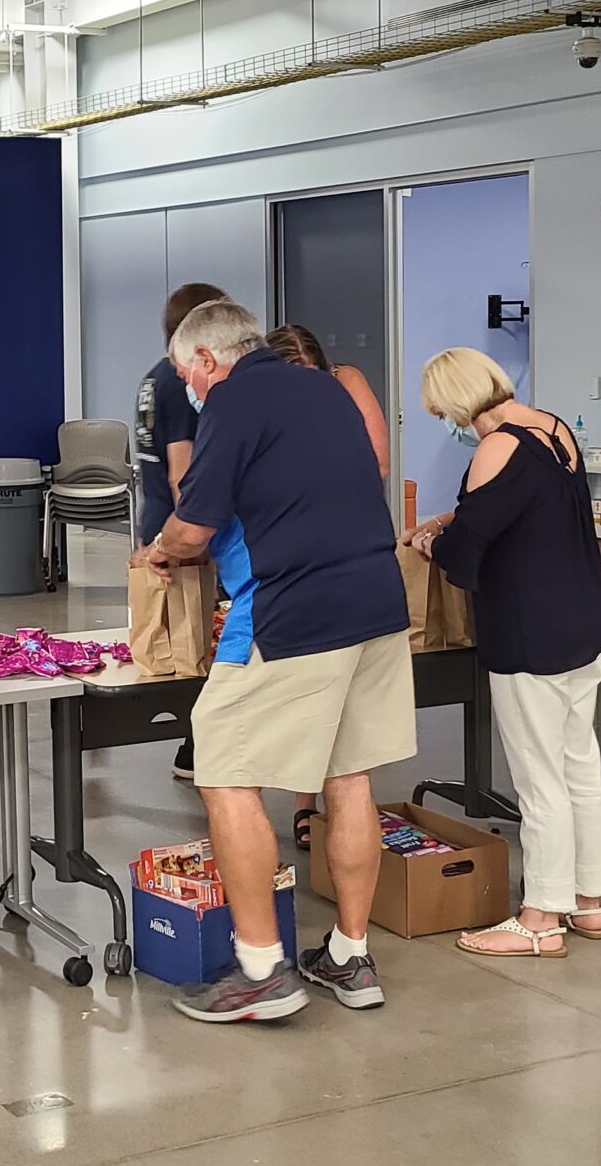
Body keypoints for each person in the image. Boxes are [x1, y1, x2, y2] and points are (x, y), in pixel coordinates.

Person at [137, 300, 413, 1023]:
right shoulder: (322, 388)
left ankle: (261, 970)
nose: (185, 388)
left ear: (204, 360)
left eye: (182, 372)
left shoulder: (231, 401)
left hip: (292, 613)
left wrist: (161, 547)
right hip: (376, 602)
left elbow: (192, 526)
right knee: (348, 774)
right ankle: (351, 957)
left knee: (224, 771)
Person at [406, 349, 601, 958]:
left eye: (439, 409)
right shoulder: (553, 428)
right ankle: (587, 899)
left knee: (538, 778)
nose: (442, 420)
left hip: (530, 633)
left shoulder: (493, 449)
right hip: (582, 622)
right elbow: (520, 510)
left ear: (458, 400)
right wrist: (455, 519)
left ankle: (540, 918)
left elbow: (467, 552)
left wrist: (430, 547)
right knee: (578, 766)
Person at [267, 323, 395, 849]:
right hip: (289, 559)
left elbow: (378, 463)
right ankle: (304, 801)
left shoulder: (347, 380)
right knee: (306, 699)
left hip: (346, 552)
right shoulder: (260, 401)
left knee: (343, 706)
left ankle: (338, 805)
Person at [135, 282, 229, 783]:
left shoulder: (153, 378)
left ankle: (195, 745)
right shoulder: (179, 382)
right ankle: (197, 748)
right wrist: (196, 541)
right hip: (178, 526)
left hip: (156, 519)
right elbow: (182, 471)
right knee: (201, 641)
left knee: (179, 639)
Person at [268, 324, 393, 477]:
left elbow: (380, 464)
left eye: (312, 377)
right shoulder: (257, 399)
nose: (303, 387)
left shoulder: (344, 380)